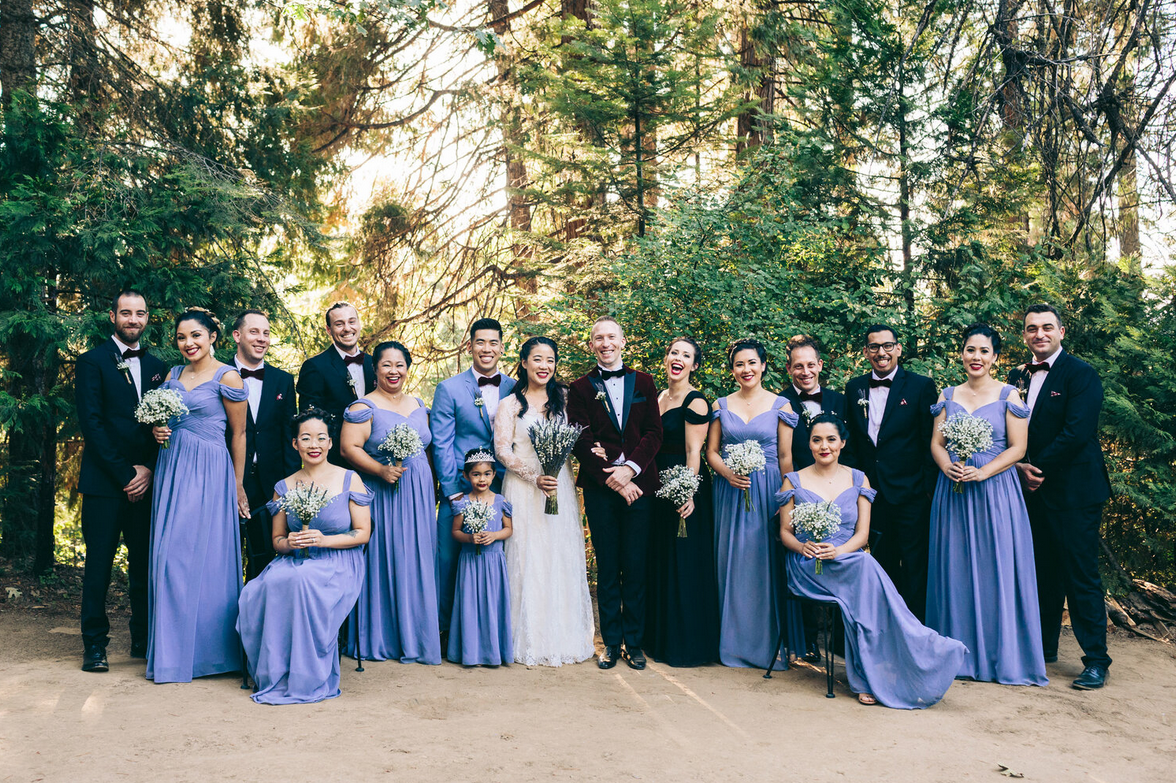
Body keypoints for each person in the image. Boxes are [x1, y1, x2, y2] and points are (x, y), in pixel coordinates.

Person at [777, 414, 966, 709]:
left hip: (846, 560)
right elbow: (785, 533)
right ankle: (914, 648)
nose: (823, 446)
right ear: (809, 444)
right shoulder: (793, 480)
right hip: (809, 566)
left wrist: (839, 552)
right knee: (865, 571)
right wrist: (804, 548)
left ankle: (881, 669)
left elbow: (862, 535)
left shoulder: (858, 478)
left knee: (862, 580)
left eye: (830, 439)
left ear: (842, 443)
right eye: (816, 440)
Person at [927, 324, 1047, 685]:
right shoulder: (947, 395)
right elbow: (936, 442)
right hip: (953, 491)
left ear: (995, 357)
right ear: (961, 354)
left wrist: (984, 473)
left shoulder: (1010, 395)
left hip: (996, 491)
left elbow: (1018, 448)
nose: (975, 357)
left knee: (997, 565)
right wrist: (946, 464)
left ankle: (1001, 655)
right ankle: (957, 655)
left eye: (983, 351)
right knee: (956, 566)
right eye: (969, 350)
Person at [236, 408, 373, 704]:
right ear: (295, 444)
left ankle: (307, 675)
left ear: (330, 443)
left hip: (338, 561)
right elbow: (277, 541)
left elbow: (362, 533)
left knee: (301, 581)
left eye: (321, 438)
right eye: (306, 438)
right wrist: (291, 543)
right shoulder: (284, 487)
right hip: (294, 560)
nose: (315, 445)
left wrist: (324, 540)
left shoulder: (350, 480)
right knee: (260, 588)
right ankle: (276, 673)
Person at [1008, 304, 1112, 690]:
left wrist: (1035, 466)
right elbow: (1008, 430)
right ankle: (1044, 646)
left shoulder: (1081, 374)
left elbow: (1077, 432)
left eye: (1047, 327)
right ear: (1025, 335)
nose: (1039, 334)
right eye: (1032, 328)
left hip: (1074, 492)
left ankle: (1097, 661)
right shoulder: (1016, 375)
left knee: (1080, 575)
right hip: (1029, 490)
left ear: (1062, 332)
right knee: (1041, 571)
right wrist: (1018, 467)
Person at [146, 309, 249, 683]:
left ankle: (209, 656)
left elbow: (238, 435)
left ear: (212, 338)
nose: (188, 343)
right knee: (168, 557)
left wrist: (237, 485)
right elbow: (163, 419)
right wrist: (159, 429)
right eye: (181, 337)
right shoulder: (172, 375)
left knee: (205, 558)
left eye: (195, 336)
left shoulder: (228, 376)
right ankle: (172, 655)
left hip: (209, 470)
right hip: (172, 468)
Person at [75, 289, 168, 672]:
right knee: (98, 567)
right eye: (126, 313)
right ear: (113, 316)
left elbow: (163, 424)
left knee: (144, 565)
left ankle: (143, 640)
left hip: (146, 483)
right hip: (103, 484)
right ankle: (94, 646)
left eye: (140, 313)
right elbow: (92, 425)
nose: (133, 320)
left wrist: (146, 468)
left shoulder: (161, 367)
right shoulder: (91, 361)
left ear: (147, 319)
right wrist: (125, 473)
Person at [567, 317, 664, 670]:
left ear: (623, 342)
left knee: (635, 565)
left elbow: (654, 433)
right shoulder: (579, 388)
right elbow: (580, 438)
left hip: (641, 486)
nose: (605, 343)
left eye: (611, 337)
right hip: (600, 489)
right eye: (598, 338)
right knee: (608, 567)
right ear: (591, 344)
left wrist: (630, 471)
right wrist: (614, 478)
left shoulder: (645, 382)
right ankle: (609, 643)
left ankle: (634, 644)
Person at [494, 336, 594, 666]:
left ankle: (562, 637)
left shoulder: (565, 399)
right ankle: (525, 639)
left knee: (557, 555)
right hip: (524, 489)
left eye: (550, 360)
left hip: (559, 485)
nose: (544, 366)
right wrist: (532, 476)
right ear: (524, 363)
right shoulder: (510, 404)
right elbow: (503, 449)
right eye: (537, 359)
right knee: (526, 556)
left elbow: (581, 437)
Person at [340, 340, 441, 664]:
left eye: (400, 365)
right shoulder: (363, 407)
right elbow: (348, 448)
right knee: (387, 558)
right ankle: (381, 638)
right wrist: (381, 470)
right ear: (376, 369)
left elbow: (427, 449)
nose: (393, 371)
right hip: (383, 493)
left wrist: (434, 486)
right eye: (386, 365)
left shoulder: (420, 403)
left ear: (407, 368)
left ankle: (417, 639)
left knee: (418, 558)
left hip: (419, 493)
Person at [705, 338, 803, 668]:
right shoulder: (720, 405)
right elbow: (711, 452)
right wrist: (728, 473)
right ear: (732, 370)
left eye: (751, 363)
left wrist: (787, 500)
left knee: (765, 564)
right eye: (739, 364)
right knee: (730, 562)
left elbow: (787, 456)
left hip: (767, 490)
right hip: (730, 492)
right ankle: (731, 645)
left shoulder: (782, 406)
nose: (746, 369)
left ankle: (768, 647)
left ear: (763, 366)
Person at [431, 317, 516, 647]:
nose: (487, 349)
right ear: (470, 346)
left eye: (493, 342)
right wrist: (455, 494)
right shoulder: (449, 389)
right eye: (480, 342)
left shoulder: (514, 387)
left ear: (502, 348)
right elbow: (441, 443)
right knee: (449, 558)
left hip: (504, 490)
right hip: (461, 491)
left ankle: (494, 631)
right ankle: (445, 631)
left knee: (500, 559)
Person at [843, 324, 937, 621]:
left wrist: (926, 489)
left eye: (887, 346)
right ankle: (885, 628)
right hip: (871, 494)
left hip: (911, 494)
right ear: (865, 352)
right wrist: (857, 487)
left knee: (914, 565)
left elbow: (928, 441)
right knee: (878, 564)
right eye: (874, 347)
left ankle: (916, 631)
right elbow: (853, 443)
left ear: (898, 348)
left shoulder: (921, 386)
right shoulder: (854, 387)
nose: (881, 353)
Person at [642, 337, 720, 666]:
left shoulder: (697, 401)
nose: (678, 358)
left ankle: (686, 645)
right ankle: (658, 640)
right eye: (674, 352)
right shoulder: (657, 397)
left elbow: (693, 452)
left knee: (683, 566)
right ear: (666, 358)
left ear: (694, 365)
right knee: (659, 562)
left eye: (686, 355)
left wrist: (687, 491)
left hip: (683, 489)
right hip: (655, 488)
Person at [781, 334, 852, 661]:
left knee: (840, 558)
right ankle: (807, 641)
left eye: (811, 364)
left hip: (839, 494)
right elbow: (783, 455)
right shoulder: (779, 402)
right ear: (788, 369)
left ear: (820, 365)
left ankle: (841, 641)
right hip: (800, 495)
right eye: (798, 366)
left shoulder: (841, 399)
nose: (805, 371)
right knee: (805, 558)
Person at [232, 309, 299, 579]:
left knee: (264, 558)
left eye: (266, 333)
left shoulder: (283, 380)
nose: (262, 339)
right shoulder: (219, 375)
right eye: (254, 332)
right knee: (226, 554)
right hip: (227, 479)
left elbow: (289, 436)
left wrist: (289, 485)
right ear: (237, 336)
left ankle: (256, 616)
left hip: (271, 483)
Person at [447, 449, 514, 666]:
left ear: (494, 475)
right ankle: (469, 653)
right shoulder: (462, 502)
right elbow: (455, 532)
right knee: (470, 605)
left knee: (492, 605)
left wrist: (494, 535)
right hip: (470, 562)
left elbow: (508, 529)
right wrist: (469, 538)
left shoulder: (500, 500)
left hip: (493, 562)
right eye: (476, 474)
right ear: (466, 476)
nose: (482, 479)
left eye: (486, 474)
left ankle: (493, 652)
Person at [297, 302, 375, 465]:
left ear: (359, 324)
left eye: (352, 321)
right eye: (339, 324)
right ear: (328, 330)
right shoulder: (315, 367)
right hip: (336, 462)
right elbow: (311, 421)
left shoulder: (374, 363)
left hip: (377, 458)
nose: (347, 328)